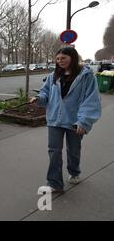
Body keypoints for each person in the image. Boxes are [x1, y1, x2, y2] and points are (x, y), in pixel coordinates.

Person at [30, 47, 102, 193]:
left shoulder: (86, 76)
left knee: (73, 150)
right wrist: (39, 99)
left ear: (72, 58)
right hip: (55, 119)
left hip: (75, 121)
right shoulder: (53, 76)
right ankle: (54, 182)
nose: (60, 61)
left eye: (63, 58)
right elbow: (45, 92)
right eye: (57, 59)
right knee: (54, 151)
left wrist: (84, 121)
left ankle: (74, 171)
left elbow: (92, 100)